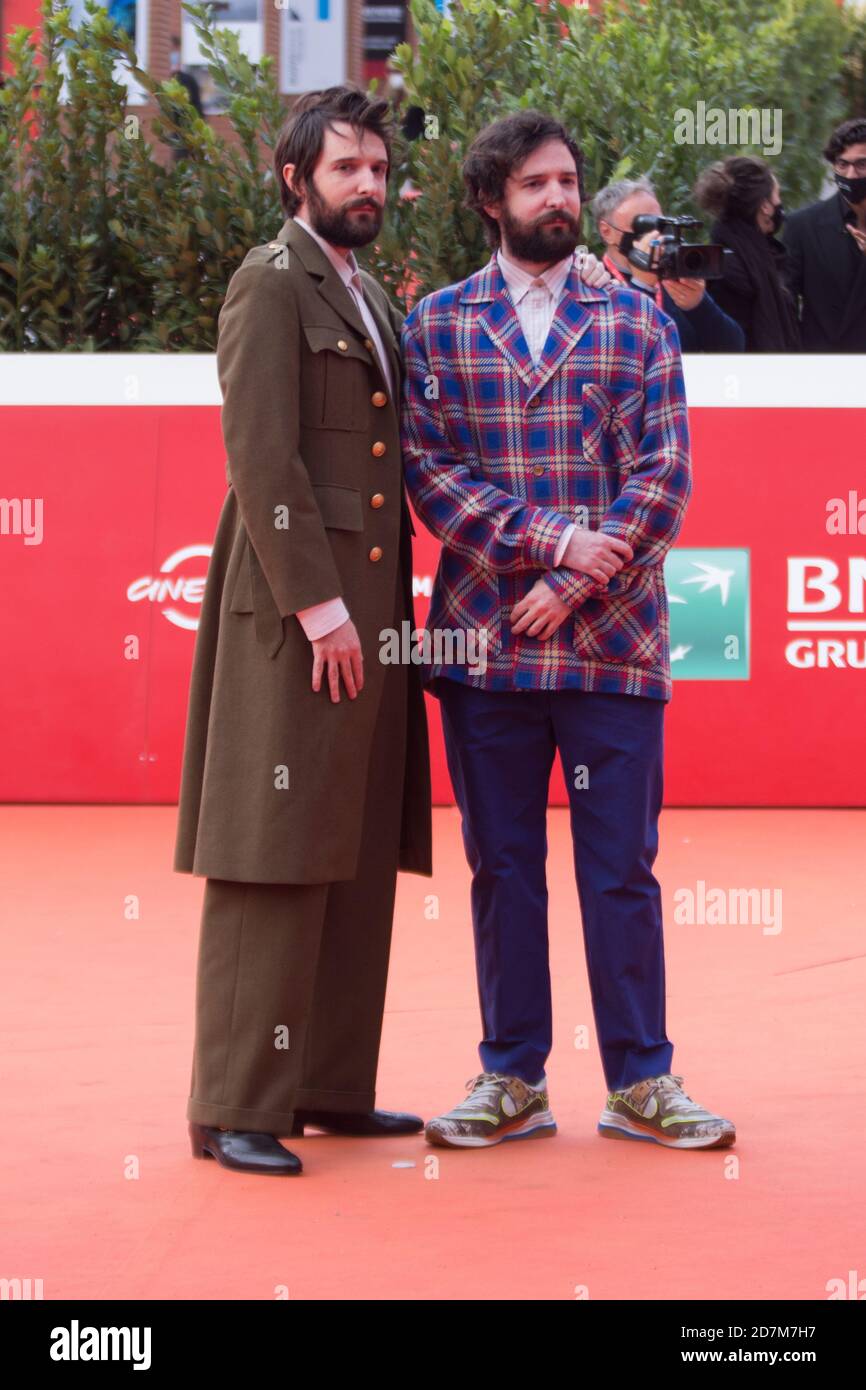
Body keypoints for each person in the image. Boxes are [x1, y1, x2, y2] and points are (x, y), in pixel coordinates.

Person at [400, 110, 736, 1152]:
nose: (555, 197)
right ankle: (511, 1076)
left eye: (566, 180)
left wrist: (579, 580)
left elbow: (665, 475)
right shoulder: (438, 325)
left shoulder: (636, 321)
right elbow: (430, 478)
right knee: (501, 867)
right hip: (484, 643)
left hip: (612, 643)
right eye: (535, 182)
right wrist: (551, 545)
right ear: (490, 199)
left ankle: (642, 1078)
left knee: (619, 867)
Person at [174, 84, 433, 1177]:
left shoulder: (365, 290)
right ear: (295, 177)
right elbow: (261, 457)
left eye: (376, 168)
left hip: (371, 620)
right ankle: (235, 1103)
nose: (365, 184)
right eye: (344, 169)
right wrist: (321, 608)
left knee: (356, 847)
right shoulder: (269, 282)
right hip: (297, 618)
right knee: (273, 853)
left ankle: (327, 1085)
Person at [594, 176, 745, 351]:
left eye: (660, 224)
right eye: (642, 225)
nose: (655, 234)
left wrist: (698, 306)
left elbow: (734, 347)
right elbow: (614, 350)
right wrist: (642, 286)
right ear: (606, 232)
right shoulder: (594, 282)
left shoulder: (673, 274)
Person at [693, 155, 800, 351]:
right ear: (765, 206)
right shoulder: (731, 267)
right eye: (777, 195)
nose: (779, 203)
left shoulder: (762, 255)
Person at [781, 117, 866, 352]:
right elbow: (783, 304)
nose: (851, 174)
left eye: (862, 164)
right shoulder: (803, 226)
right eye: (842, 164)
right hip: (822, 369)